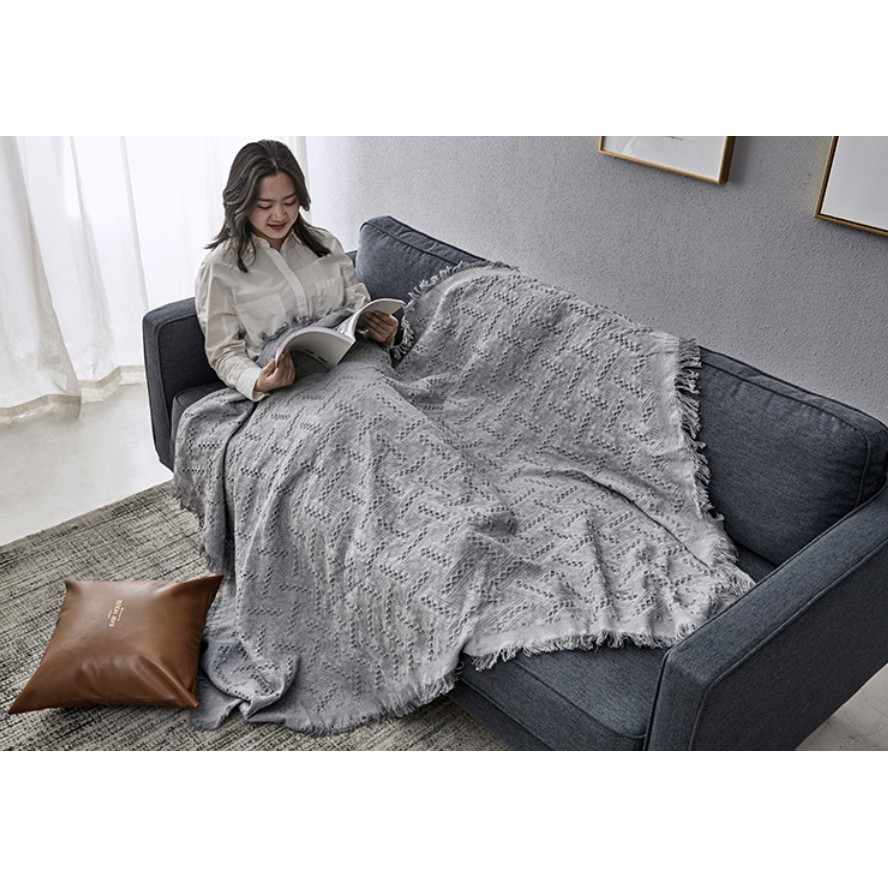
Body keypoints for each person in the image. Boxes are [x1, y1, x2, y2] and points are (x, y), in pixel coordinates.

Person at [196, 140, 399, 400]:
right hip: (290, 390)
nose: (280, 215)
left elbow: (359, 311)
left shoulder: (325, 244)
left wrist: (382, 331)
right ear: (241, 203)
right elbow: (223, 352)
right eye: (265, 206)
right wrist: (259, 380)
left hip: (356, 368)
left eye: (290, 202)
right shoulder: (220, 269)